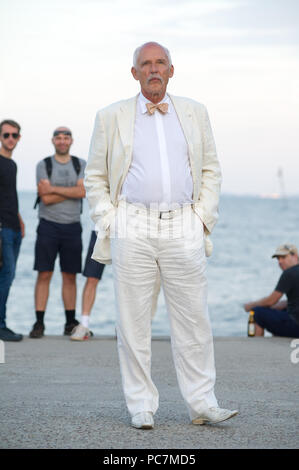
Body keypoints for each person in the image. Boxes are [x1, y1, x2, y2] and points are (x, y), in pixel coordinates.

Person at [84, 41, 238, 429]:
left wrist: (202, 217)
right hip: (131, 224)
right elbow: (96, 177)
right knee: (133, 321)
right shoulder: (110, 116)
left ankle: (203, 403)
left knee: (194, 320)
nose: (153, 69)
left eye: (160, 63)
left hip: (183, 223)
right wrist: (110, 220)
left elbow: (211, 170)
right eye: (145, 64)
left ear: (171, 70)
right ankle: (141, 406)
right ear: (134, 73)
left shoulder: (195, 112)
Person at [29, 127, 86, 338]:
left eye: (66, 137)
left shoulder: (80, 164)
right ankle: (39, 323)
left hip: (72, 226)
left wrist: (53, 188)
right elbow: (46, 198)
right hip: (48, 225)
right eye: (58, 138)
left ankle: (70, 322)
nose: (62, 141)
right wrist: (72, 192)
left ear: (71, 141)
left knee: (70, 275)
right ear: (53, 140)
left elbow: (83, 191)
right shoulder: (44, 165)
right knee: (44, 273)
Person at [0, 119, 25, 342]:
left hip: (14, 227)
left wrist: (20, 220)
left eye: (14, 135)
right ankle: (1, 325)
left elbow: (9, 196)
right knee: (5, 276)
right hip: (2, 230)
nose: (10, 139)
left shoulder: (12, 165)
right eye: (6, 135)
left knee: (8, 275)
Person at [244, 244, 299, 337]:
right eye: (278, 259)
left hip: (296, 327)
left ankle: (254, 348)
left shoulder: (289, 273)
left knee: (257, 313)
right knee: (280, 310)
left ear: (295, 256)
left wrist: (250, 305)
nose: (280, 262)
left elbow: (271, 301)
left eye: (283, 257)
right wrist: (279, 305)